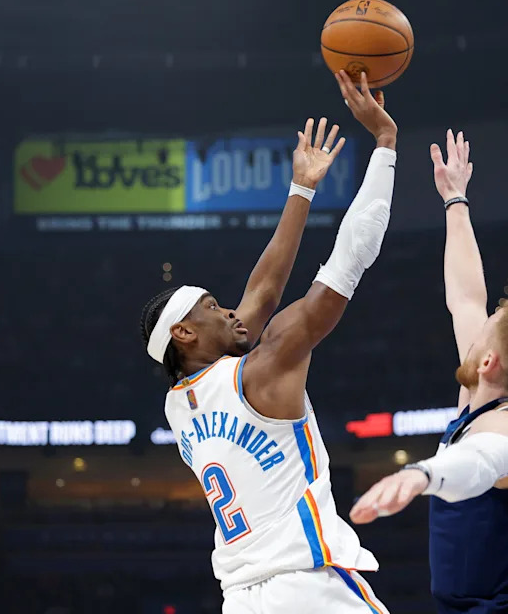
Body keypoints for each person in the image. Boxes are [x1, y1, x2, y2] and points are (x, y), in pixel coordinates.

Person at [139, 71, 396, 614]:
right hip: (308, 586)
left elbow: (261, 293)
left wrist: (302, 189)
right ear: (184, 333)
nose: (229, 308)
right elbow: (348, 261)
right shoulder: (262, 369)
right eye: (212, 307)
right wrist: (385, 145)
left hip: (242, 598)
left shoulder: (179, 406)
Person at [350, 130, 508, 613]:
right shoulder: (486, 391)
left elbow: (481, 462)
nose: (477, 327)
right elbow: (466, 297)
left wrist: (421, 475)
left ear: (489, 360)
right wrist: (455, 199)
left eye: (486, 331)